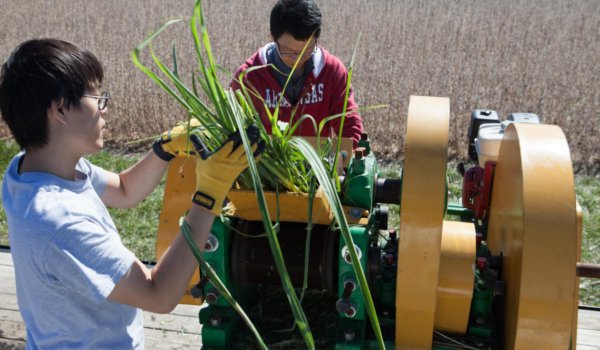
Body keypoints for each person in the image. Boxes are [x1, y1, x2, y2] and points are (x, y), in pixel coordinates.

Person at [0, 38, 261, 349]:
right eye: (97, 97)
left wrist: (164, 147)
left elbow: (124, 190)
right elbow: (159, 294)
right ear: (59, 109)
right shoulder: (60, 222)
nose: (104, 109)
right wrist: (209, 196)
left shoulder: (31, 169)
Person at [230, 0, 364, 148]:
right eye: (289, 52)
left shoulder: (332, 71)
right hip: (266, 167)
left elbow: (349, 124)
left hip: (316, 165)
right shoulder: (249, 78)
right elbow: (231, 128)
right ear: (273, 37)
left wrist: (346, 159)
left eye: (306, 51)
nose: (298, 60)